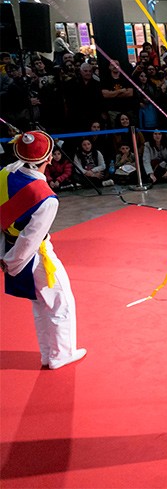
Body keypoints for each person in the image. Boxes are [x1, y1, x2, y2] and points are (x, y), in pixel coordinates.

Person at [1, 131, 86, 369]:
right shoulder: (46, 198)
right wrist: (11, 263)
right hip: (32, 255)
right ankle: (61, 354)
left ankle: (48, 353)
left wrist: (4, 255)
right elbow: (30, 239)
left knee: (39, 302)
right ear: (49, 159)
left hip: (8, 242)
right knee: (60, 301)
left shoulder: (5, 172)